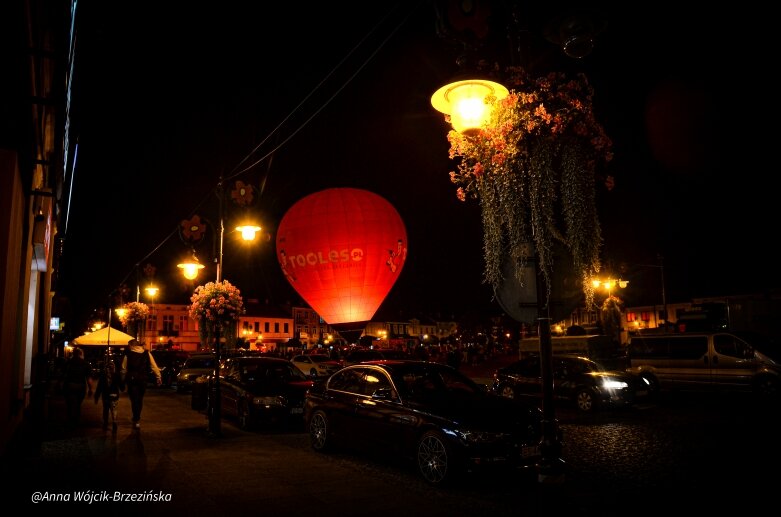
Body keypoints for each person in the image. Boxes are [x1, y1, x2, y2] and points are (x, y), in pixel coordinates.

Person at [120, 339, 162, 430]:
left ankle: (136, 418)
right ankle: (137, 417)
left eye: (128, 345)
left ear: (131, 346)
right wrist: (158, 377)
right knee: (140, 399)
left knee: (134, 399)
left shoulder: (128, 355)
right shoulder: (147, 353)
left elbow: (123, 369)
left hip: (132, 380)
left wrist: (122, 380)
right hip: (143, 379)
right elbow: (154, 366)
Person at [62, 347, 92, 427]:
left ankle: (70, 419)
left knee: (69, 404)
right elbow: (88, 378)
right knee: (78, 404)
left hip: (69, 385)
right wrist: (90, 389)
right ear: (81, 354)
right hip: (80, 386)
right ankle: (76, 420)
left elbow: (63, 375)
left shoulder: (68, 363)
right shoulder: (85, 364)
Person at [94, 355, 122, 432]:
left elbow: (99, 388)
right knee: (114, 410)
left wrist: (96, 396)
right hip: (114, 395)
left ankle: (106, 424)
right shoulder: (116, 375)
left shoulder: (103, 376)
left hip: (106, 396)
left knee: (106, 410)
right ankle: (114, 423)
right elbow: (122, 387)